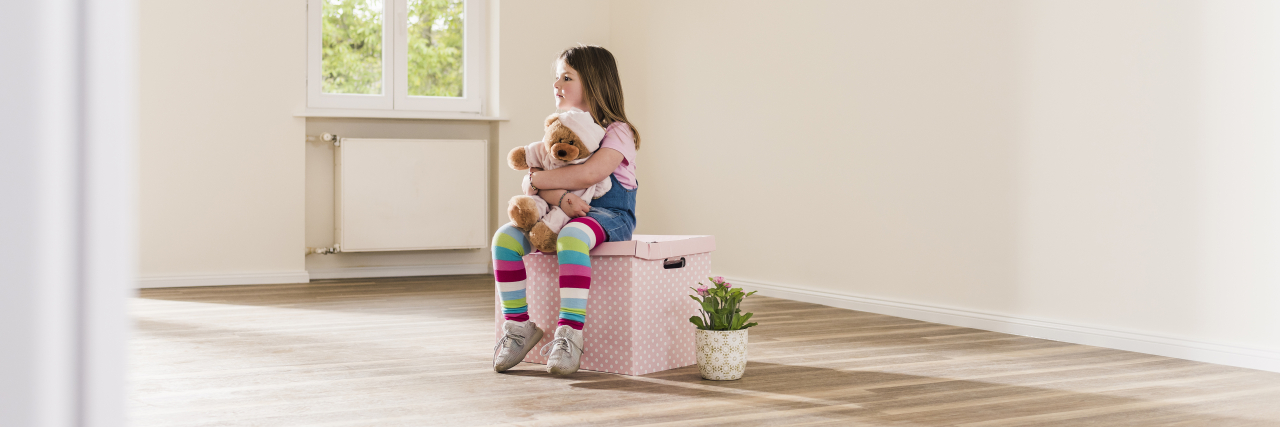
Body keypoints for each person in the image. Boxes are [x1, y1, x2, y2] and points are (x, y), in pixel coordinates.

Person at [492, 45, 640, 375]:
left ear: (594, 83)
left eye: (567, 77)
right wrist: (558, 196)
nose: (556, 84)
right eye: (557, 77)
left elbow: (589, 174)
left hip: (608, 215)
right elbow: (535, 181)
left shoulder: (618, 131)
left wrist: (538, 180)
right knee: (504, 239)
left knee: (572, 236)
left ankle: (570, 333)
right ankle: (518, 327)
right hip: (555, 213)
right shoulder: (560, 128)